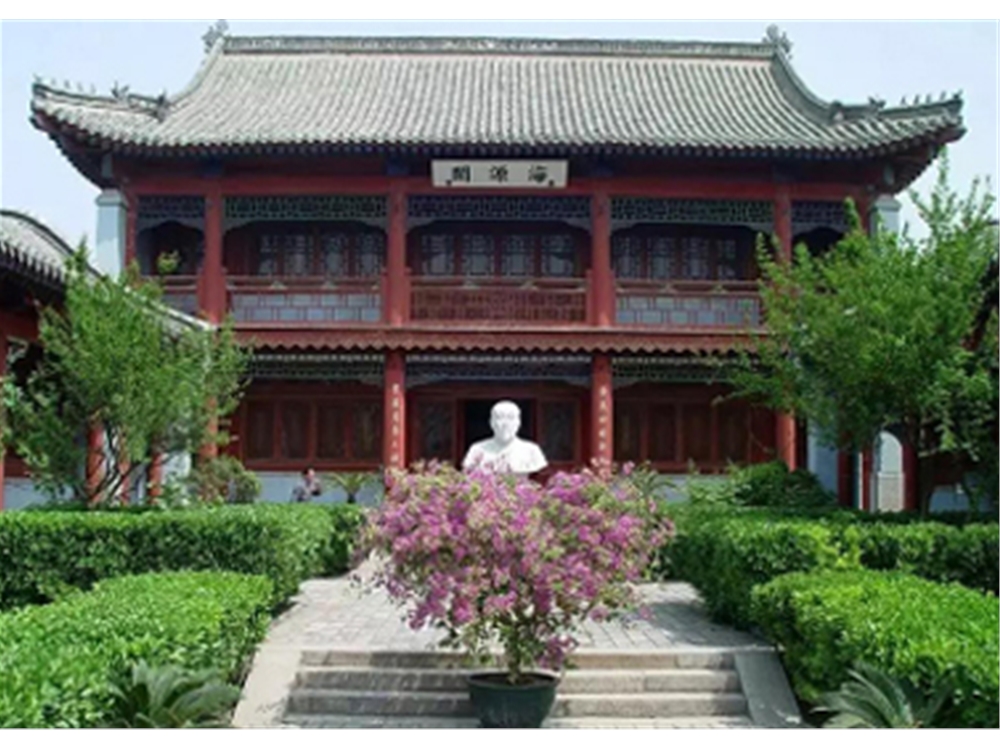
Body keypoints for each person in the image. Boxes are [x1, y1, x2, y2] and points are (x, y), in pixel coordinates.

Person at [462, 400, 548, 478]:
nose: (505, 424)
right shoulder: (477, 449)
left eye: (510, 418)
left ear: (518, 423)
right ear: (491, 422)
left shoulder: (532, 450)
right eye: (499, 418)